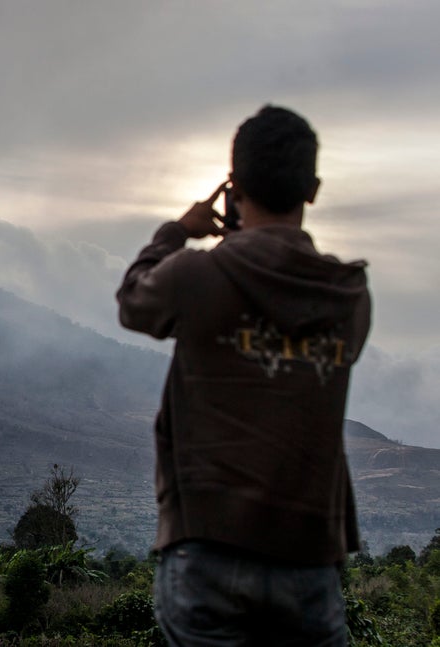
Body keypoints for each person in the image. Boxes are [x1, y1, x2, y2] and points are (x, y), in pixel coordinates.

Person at [116, 105, 371, 646]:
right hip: (309, 560)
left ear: (235, 187)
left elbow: (133, 299)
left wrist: (176, 231)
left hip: (207, 551)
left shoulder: (196, 276)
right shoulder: (348, 297)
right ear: (314, 189)